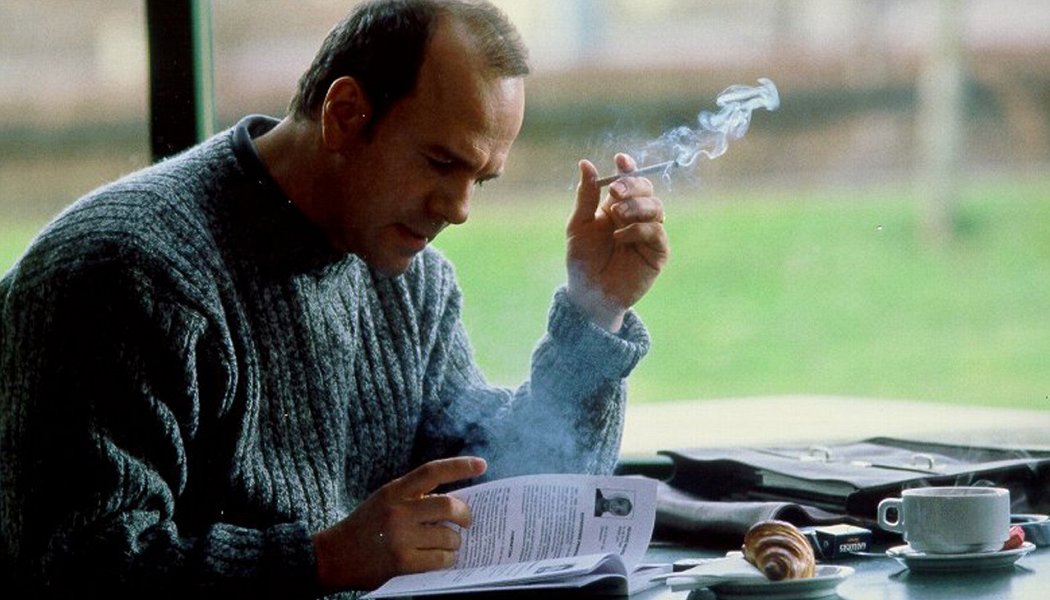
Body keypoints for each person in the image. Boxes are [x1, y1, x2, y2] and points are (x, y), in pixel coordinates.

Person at [0, 0, 669, 597]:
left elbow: (506, 490)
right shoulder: (128, 275)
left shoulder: (412, 282)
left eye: (481, 180)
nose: (459, 209)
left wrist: (595, 310)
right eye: (441, 163)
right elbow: (75, 566)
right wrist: (322, 560)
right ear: (345, 115)